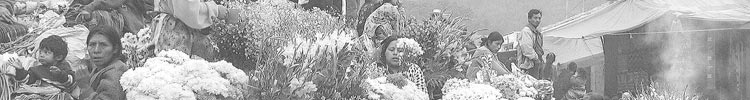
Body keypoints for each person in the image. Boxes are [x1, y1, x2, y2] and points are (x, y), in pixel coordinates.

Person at [150, 0, 239, 61]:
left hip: (181, 28)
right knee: (175, 71)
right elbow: (188, 11)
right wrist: (218, 11)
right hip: (175, 30)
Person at [2, 35, 75, 100]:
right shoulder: (38, 69)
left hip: (58, 95)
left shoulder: (64, 67)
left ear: (58, 57)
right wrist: (20, 69)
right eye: (40, 52)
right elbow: (27, 80)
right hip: (41, 94)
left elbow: (70, 81)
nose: (41, 55)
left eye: (46, 52)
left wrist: (60, 74)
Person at [73, 26, 128, 100]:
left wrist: (85, 87)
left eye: (103, 45)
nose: (96, 50)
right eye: (92, 44)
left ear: (115, 49)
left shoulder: (115, 72)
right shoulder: (100, 67)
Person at [71, 0, 150, 35]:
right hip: (129, 23)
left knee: (97, 15)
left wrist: (89, 8)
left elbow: (109, 3)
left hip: (132, 27)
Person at [517, 9, 547, 79]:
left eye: (539, 18)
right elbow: (527, 49)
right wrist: (536, 59)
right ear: (529, 19)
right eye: (535, 18)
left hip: (537, 64)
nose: (538, 20)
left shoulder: (538, 33)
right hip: (527, 66)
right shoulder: (526, 31)